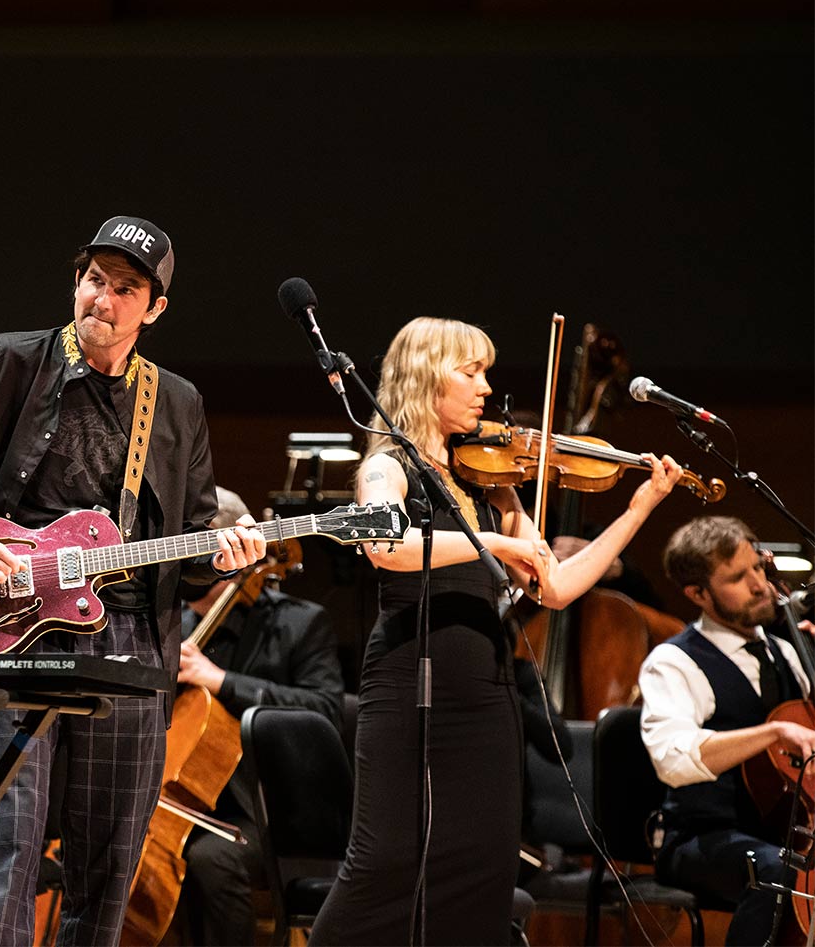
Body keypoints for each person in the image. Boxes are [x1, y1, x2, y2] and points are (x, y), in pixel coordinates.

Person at [0, 215, 267, 946]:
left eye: (125, 289)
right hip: (16, 623)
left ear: (155, 308)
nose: (101, 300)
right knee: (10, 844)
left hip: (130, 642)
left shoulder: (176, 401)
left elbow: (195, 540)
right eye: (93, 280)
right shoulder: (12, 361)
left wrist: (227, 553)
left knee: (109, 865)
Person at [309, 316, 682, 945]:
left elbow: (555, 585)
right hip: (410, 679)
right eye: (470, 371)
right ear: (428, 376)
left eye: (486, 371)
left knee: (484, 865)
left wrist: (637, 509)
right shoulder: (389, 467)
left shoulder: (493, 480)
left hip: (486, 688)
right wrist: (491, 545)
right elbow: (383, 545)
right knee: (383, 863)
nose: (486, 388)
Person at [174, 487, 344, 946]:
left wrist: (221, 681)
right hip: (194, 803)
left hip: (270, 810)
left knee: (209, 858)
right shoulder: (180, 628)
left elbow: (325, 709)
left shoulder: (300, 623)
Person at [640, 515, 815, 946]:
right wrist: (771, 733)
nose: (760, 584)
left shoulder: (787, 651)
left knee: (787, 862)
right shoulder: (674, 662)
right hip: (701, 837)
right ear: (698, 594)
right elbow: (673, 761)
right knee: (778, 870)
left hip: (784, 832)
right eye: (738, 577)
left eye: (758, 567)